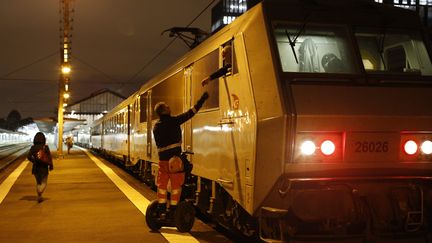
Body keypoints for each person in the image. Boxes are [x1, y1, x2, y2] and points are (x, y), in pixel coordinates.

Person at [153, 91, 209, 217]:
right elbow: (191, 113)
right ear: (164, 111)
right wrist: (202, 99)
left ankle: (161, 207)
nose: (169, 107)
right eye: (167, 107)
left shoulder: (156, 127)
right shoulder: (173, 121)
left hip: (162, 162)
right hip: (175, 162)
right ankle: (173, 209)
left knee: (162, 185)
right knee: (176, 185)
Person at [27, 132, 53, 203]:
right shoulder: (45, 147)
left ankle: (39, 197)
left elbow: (28, 156)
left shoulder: (33, 147)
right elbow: (49, 157)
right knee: (44, 182)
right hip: (44, 167)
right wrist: (51, 165)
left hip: (36, 168)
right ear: (43, 139)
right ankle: (40, 191)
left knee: (38, 182)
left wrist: (34, 161)